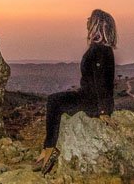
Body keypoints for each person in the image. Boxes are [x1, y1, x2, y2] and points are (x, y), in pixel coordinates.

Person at [34, 9, 117, 173]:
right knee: (56, 101)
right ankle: (49, 148)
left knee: (54, 101)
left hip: (91, 101)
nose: (87, 20)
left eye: (90, 19)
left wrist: (103, 111)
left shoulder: (99, 50)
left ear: (97, 25)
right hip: (90, 97)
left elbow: (102, 82)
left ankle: (49, 149)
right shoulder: (100, 49)